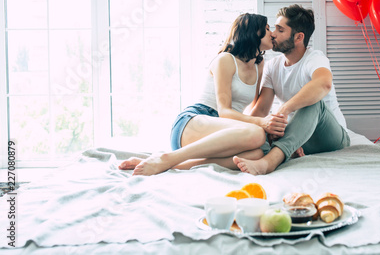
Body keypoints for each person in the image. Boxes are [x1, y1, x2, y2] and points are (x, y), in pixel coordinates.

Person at [119, 13, 287, 175]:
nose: (272, 34)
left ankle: (169, 165)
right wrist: (261, 124)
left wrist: (271, 128)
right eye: (266, 29)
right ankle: (169, 157)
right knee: (256, 133)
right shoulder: (226, 60)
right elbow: (224, 111)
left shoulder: (259, 65)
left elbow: (255, 110)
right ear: (253, 32)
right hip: (195, 121)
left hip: (224, 132)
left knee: (256, 154)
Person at [233, 4, 350, 175]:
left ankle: (269, 163)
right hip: (298, 135)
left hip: (329, 135)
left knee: (313, 103)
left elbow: (324, 83)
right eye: (274, 28)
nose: (272, 33)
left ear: (298, 37)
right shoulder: (273, 66)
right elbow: (261, 110)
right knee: (262, 133)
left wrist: (284, 109)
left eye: (280, 30)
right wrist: (242, 133)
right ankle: (288, 147)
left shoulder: (315, 58)